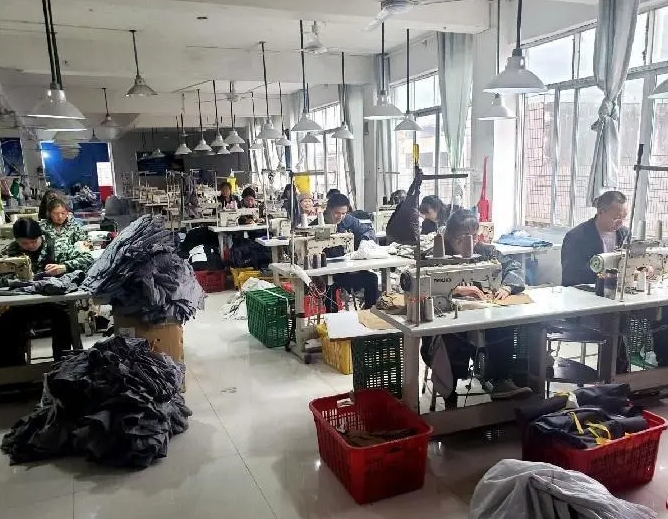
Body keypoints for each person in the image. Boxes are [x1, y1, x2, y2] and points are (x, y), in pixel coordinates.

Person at [421, 209, 530, 401]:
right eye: (462, 237)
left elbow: (514, 267)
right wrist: (455, 289)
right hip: (446, 319)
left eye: (473, 236)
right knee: (450, 336)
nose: (469, 242)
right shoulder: (434, 255)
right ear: (450, 236)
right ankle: (449, 392)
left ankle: (500, 380)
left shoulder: (486, 252)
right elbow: (420, 286)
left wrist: (507, 287)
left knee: (503, 323)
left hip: (481, 314)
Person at [0, 218, 94, 365]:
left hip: (54, 304)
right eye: (24, 243)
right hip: (21, 306)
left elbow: (88, 259)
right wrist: (11, 279)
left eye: (33, 241)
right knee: (6, 326)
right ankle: (17, 372)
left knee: (64, 321)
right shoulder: (10, 252)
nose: (30, 246)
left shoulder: (58, 245)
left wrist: (64, 266)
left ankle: (62, 366)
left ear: (41, 236)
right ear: (17, 241)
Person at [322, 194, 378, 310]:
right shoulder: (317, 225)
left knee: (372, 278)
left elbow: (368, 230)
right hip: (326, 273)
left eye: (344, 213)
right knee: (328, 287)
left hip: (347, 270)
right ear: (328, 209)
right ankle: (332, 317)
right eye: (337, 213)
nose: (340, 217)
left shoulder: (349, 220)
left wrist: (365, 240)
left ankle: (370, 313)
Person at [561, 191, 629, 287]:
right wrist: (607, 276)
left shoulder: (625, 234)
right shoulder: (576, 237)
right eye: (616, 218)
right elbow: (570, 276)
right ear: (600, 212)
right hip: (584, 292)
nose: (620, 223)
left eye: (624, 218)